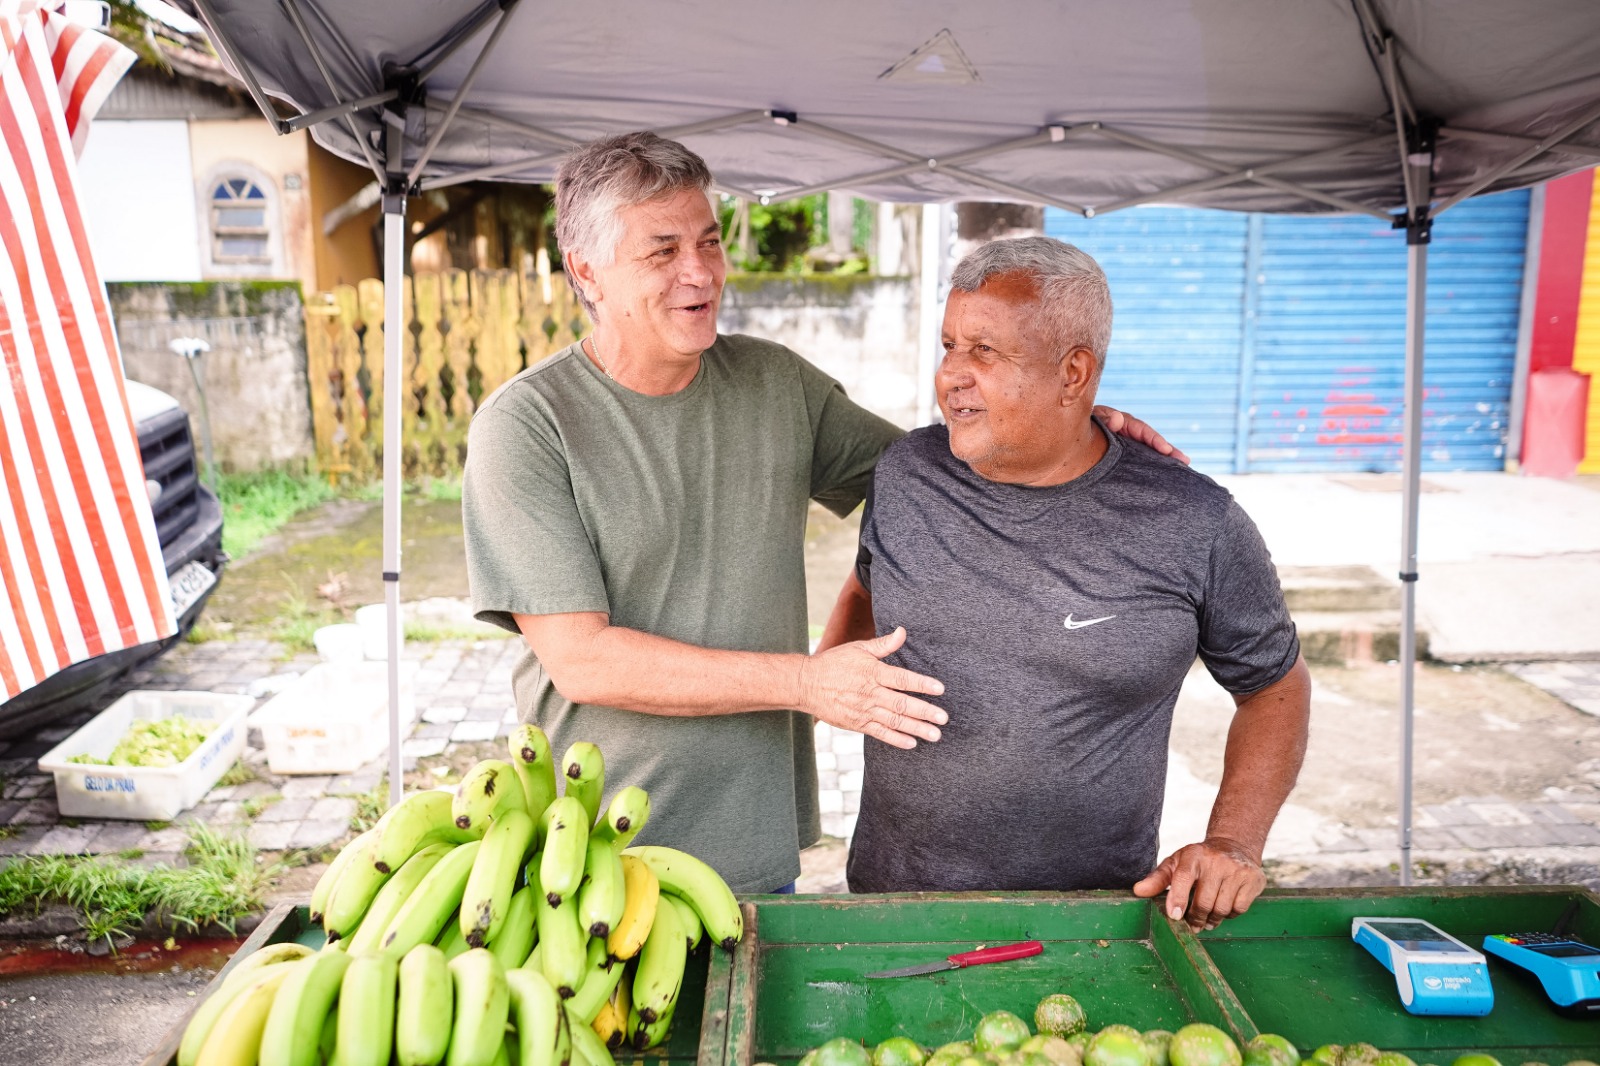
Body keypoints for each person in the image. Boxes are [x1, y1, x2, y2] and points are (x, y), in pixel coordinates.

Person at [462, 132, 1179, 894]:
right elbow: (582, 659)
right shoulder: (528, 426)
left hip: (756, 848)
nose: (700, 271)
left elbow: (942, 475)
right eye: (663, 251)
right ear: (586, 271)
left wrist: (1061, 424)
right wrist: (808, 682)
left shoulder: (774, 385)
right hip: (592, 857)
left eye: (709, 241)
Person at [822, 236, 1311, 930]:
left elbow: (1274, 687)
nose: (951, 374)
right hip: (893, 905)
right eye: (950, 346)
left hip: (1097, 918)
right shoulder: (906, 475)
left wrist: (1233, 841)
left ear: (1073, 374)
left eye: (984, 352)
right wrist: (827, 678)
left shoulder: (1193, 520)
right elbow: (868, 586)